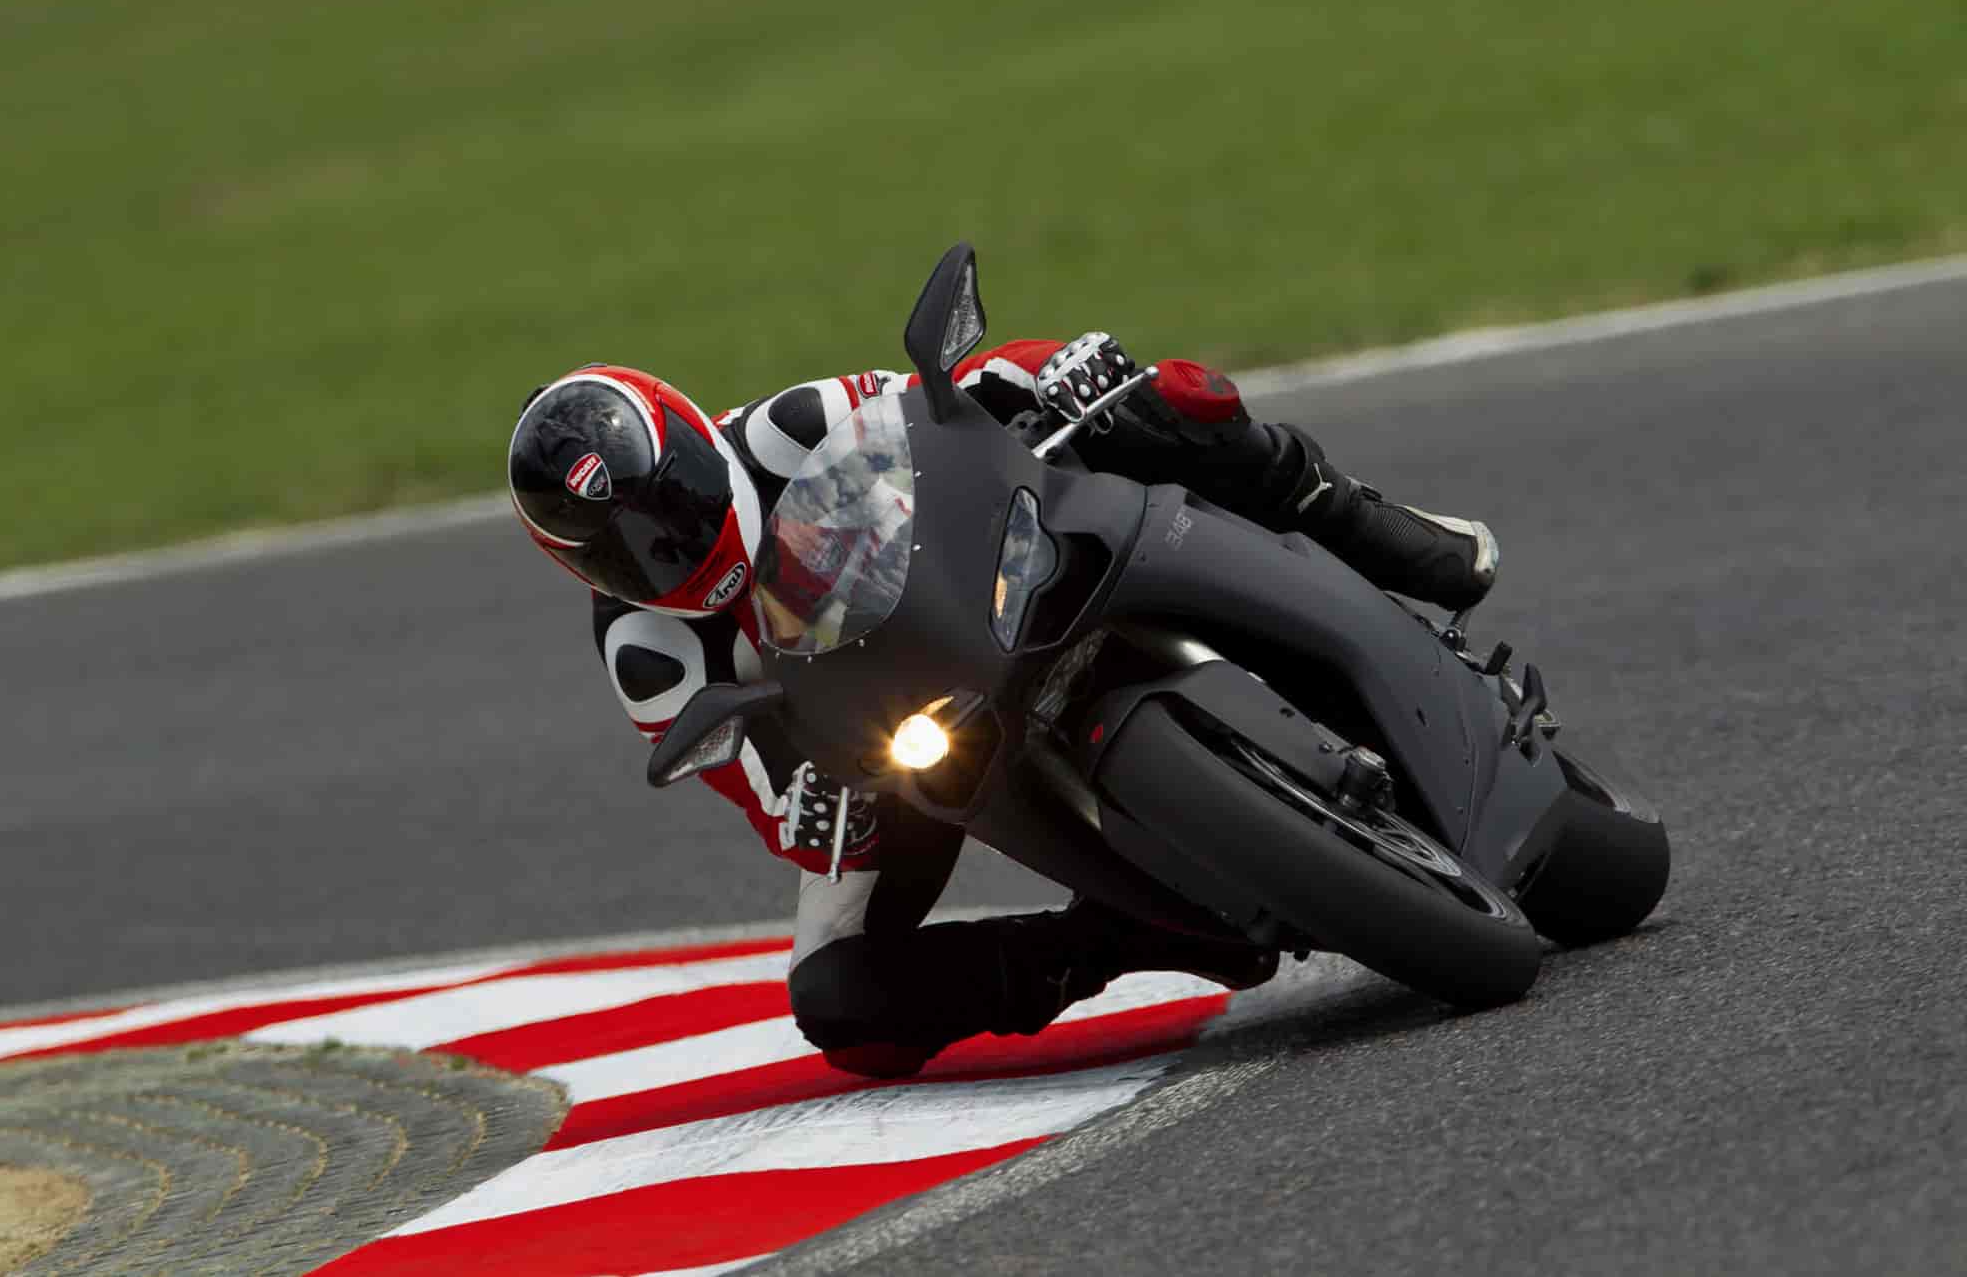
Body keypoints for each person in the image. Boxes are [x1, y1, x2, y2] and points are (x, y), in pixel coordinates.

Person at [506, 333, 1498, 1075]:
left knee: (1165, 400)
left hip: (979, 576)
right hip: (883, 746)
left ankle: (1372, 526)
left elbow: (950, 403)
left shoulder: (786, 426)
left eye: (676, 501)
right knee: (846, 1008)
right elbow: (763, 789)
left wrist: (1053, 368)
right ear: (578, 566)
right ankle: (1132, 935)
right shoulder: (647, 650)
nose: (671, 545)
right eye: (629, 550)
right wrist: (806, 807)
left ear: (693, 439)